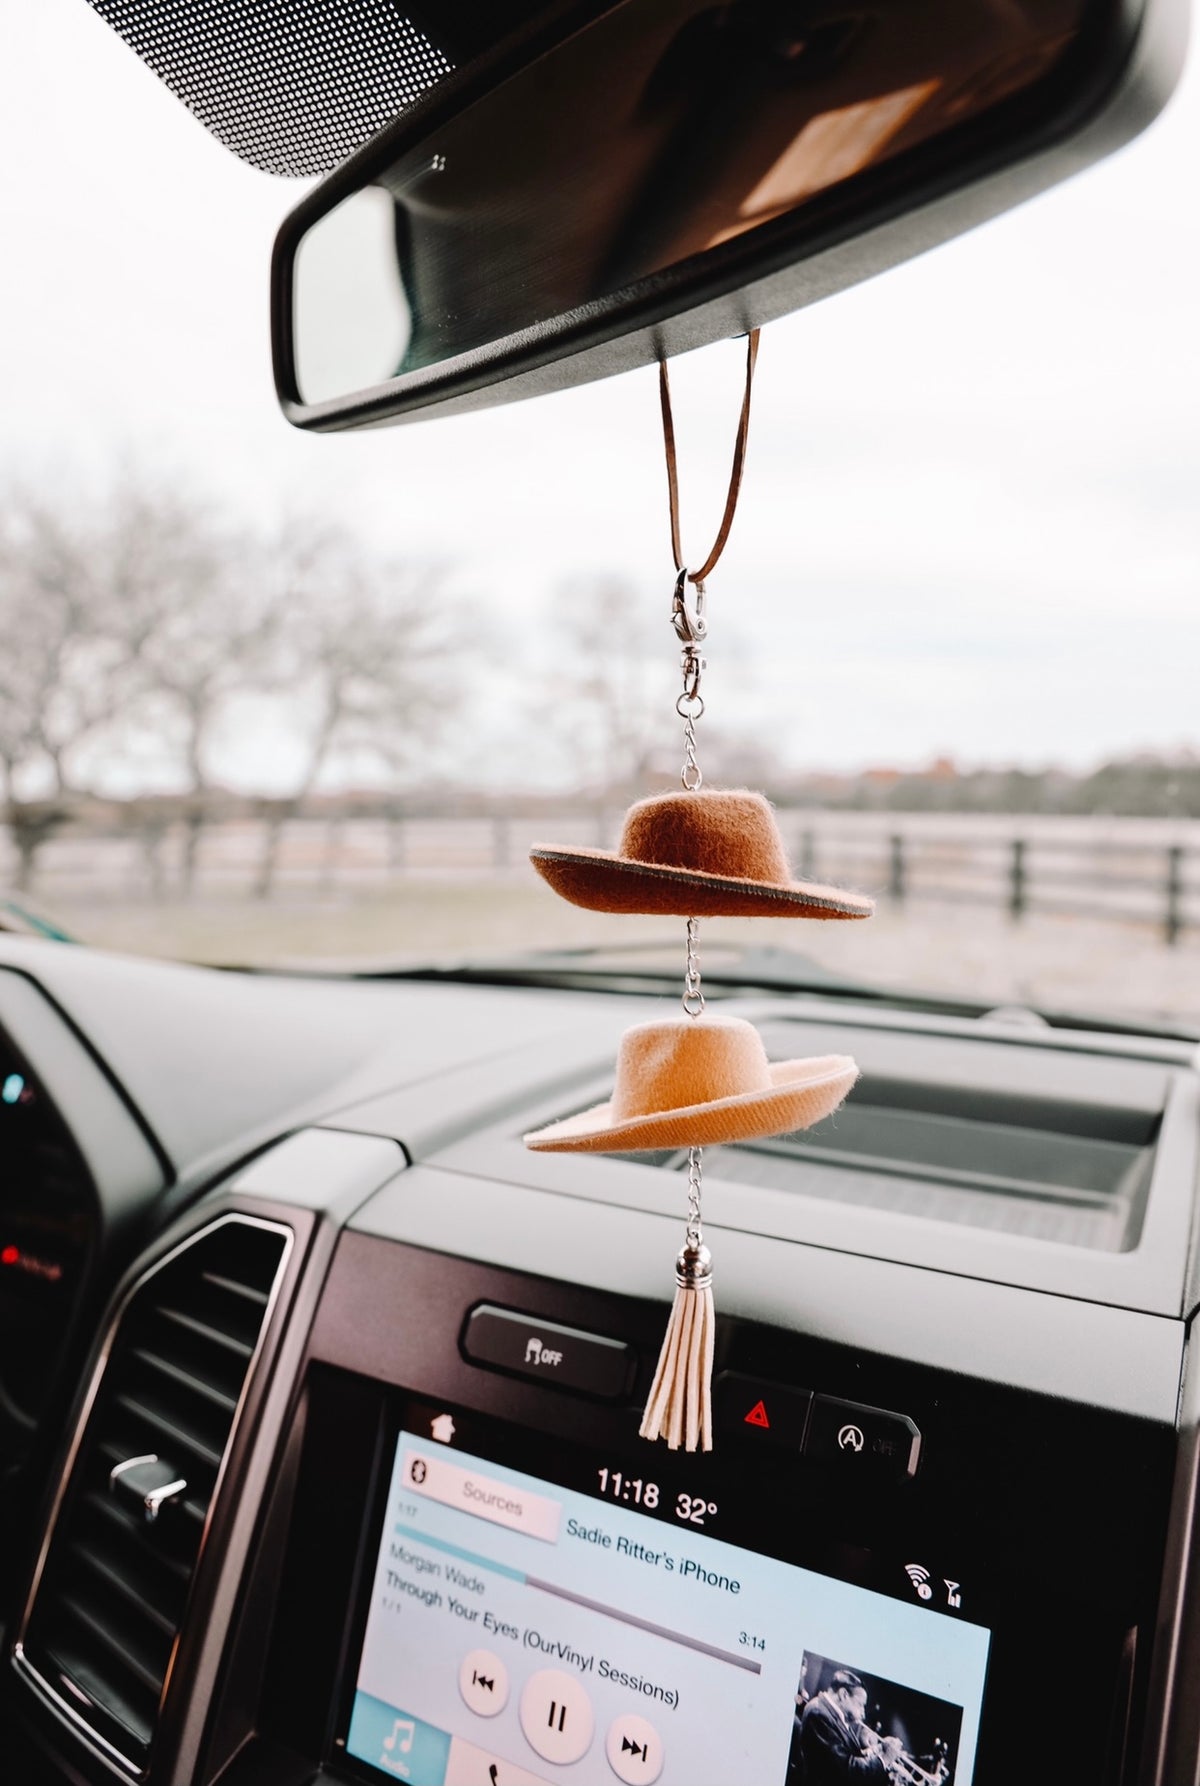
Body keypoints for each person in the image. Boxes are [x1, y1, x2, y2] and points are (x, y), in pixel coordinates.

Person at [791, 1670, 903, 1783]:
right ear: (843, 1694)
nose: (863, 1713)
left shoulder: (829, 1713)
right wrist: (885, 1758)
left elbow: (845, 1754)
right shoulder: (818, 1712)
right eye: (860, 1705)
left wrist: (878, 1749)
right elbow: (845, 1769)